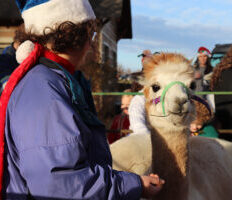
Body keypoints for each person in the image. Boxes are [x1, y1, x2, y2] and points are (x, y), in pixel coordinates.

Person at [0, 0, 164, 199]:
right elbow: (61, 185)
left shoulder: (54, 81)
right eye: (91, 33)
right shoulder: (45, 92)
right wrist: (135, 184)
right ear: (75, 34)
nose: (93, 43)